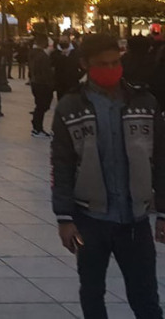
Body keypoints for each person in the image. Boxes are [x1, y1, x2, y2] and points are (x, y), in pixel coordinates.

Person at [51, 34, 165, 319]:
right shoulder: (70, 106)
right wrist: (64, 218)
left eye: (116, 62)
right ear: (84, 65)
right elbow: (61, 164)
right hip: (88, 222)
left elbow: (161, 159)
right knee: (91, 291)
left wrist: (163, 212)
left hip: (136, 222)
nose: (111, 69)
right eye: (103, 64)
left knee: (146, 298)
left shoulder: (145, 102)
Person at [29, 34, 56, 138]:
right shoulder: (42, 56)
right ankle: (37, 128)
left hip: (36, 83)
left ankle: (36, 125)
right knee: (42, 106)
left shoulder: (33, 53)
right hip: (43, 84)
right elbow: (46, 72)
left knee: (40, 106)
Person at [52, 35, 84, 101]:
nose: (63, 43)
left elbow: (83, 67)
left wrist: (77, 76)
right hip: (60, 84)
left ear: (69, 42)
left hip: (73, 83)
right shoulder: (55, 53)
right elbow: (51, 66)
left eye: (65, 41)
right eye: (61, 41)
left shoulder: (76, 53)